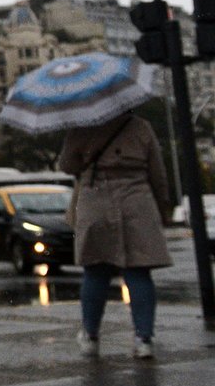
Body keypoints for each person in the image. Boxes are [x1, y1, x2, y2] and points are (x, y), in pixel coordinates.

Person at [57, 109, 173, 359]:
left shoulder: (81, 126)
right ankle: (144, 338)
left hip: (96, 199)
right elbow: (158, 171)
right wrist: (163, 207)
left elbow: (66, 165)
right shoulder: (141, 127)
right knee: (139, 271)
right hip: (136, 200)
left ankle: (90, 335)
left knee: (95, 271)